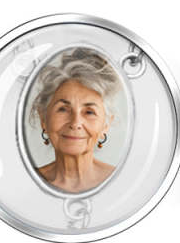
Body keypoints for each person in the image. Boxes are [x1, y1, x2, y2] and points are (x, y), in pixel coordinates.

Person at [30, 48, 122, 193]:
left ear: (106, 125)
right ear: (43, 118)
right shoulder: (25, 182)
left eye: (89, 112)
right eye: (63, 109)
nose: (75, 123)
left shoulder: (122, 182)